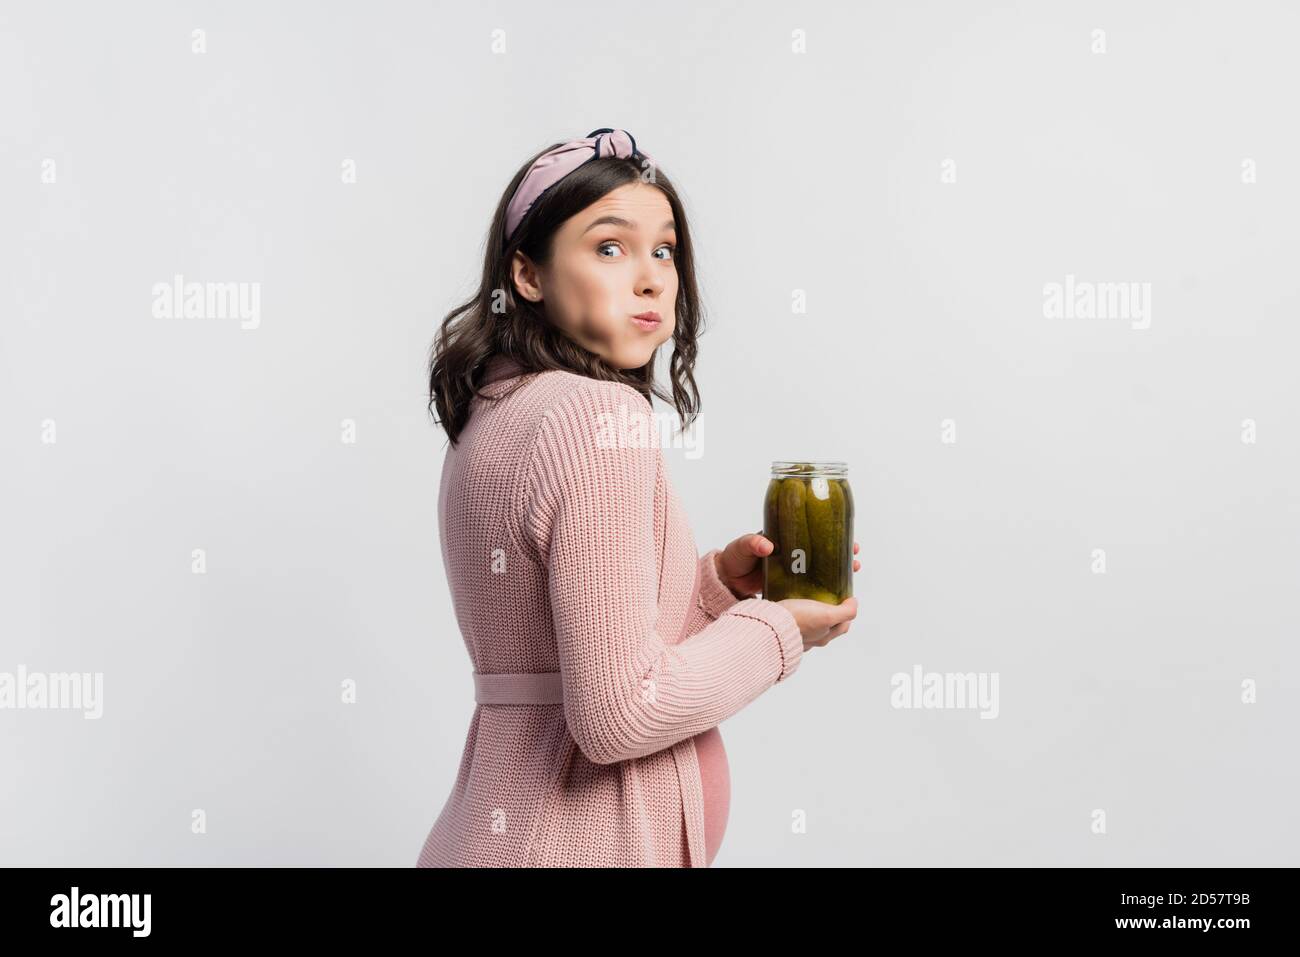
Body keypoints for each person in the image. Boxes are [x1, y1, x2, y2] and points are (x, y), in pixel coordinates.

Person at [418, 128, 858, 867]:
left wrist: (714, 588)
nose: (652, 278)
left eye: (664, 250)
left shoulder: (494, 410)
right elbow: (621, 710)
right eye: (610, 248)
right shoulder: (598, 417)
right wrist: (780, 629)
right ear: (527, 275)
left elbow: (559, 643)